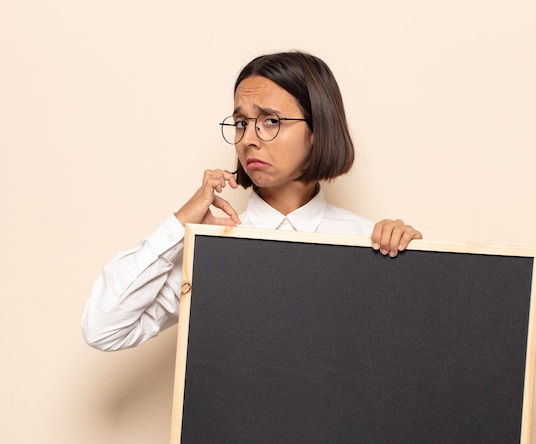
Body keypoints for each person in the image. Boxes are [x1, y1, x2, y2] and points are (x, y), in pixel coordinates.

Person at [82, 51, 422, 351]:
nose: (247, 139)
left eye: (270, 121)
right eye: (241, 123)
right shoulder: (211, 246)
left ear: (318, 130)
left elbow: (410, 361)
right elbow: (104, 330)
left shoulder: (367, 242)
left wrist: (419, 267)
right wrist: (179, 227)